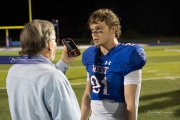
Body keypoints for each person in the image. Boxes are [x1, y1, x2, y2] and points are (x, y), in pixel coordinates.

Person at [6, 19, 80, 120]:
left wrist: (63, 62)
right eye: (54, 40)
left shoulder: (13, 71)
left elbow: (39, 77)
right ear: (49, 44)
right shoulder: (54, 78)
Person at [80, 8, 146, 120]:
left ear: (113, 29)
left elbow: (131, 105)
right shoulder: (91, 55)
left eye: (99, 29)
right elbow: (87, 95)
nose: (94, 34)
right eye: (92, 30)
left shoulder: (128, 55)